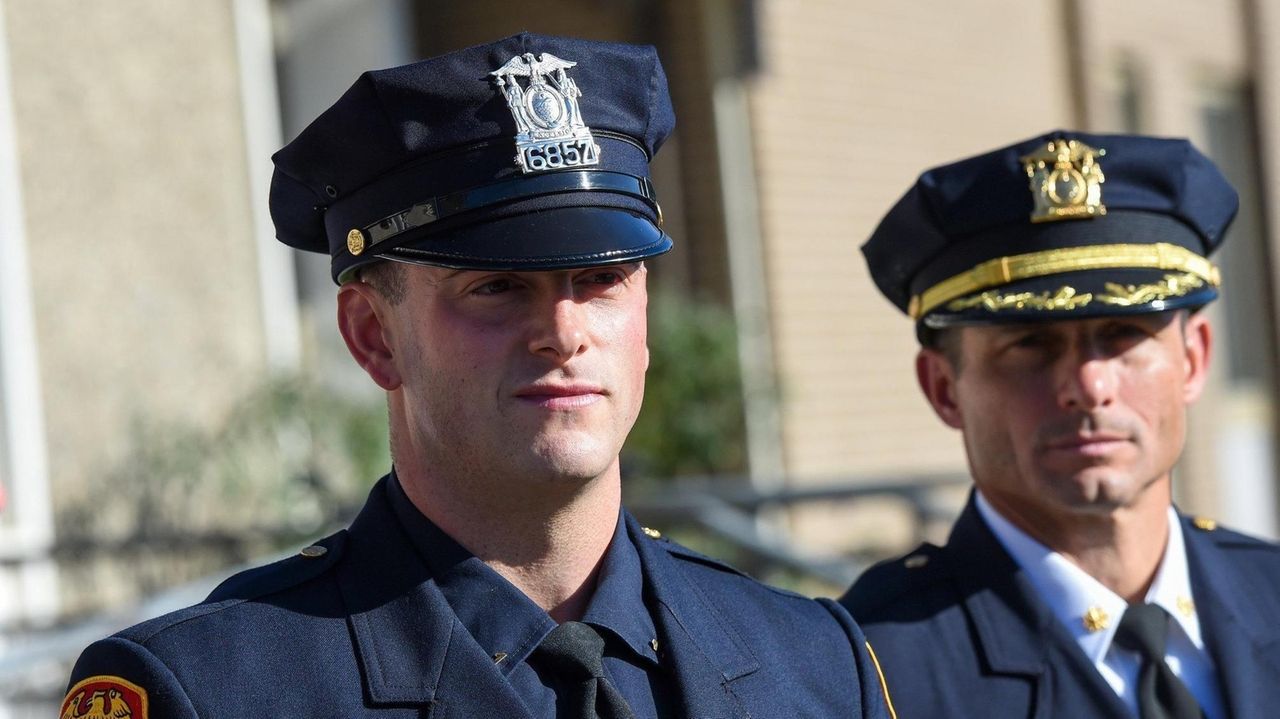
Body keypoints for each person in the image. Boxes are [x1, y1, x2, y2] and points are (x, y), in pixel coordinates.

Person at [63, 33, 892, 719]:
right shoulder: (212, 691)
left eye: (601, 280)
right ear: (372, 334)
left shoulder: (815, 660)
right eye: (496, 286)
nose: (563, 332)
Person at [841, 130, 1280, 718]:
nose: (1089, 387)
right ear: (944, 389)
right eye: (1031, 345)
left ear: (1194, 359)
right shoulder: (868, 671)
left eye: (1124, 335)